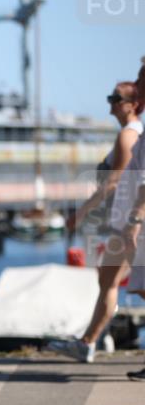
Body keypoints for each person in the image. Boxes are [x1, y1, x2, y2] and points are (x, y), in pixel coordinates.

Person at [51, 62, 145, 363]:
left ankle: (88, 342)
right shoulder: (134, 134)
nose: (110, 105)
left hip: (132, 224)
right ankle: (87, 343)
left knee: (140, 288)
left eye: (115, 99)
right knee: (107, 282)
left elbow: (115, 181)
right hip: (125, 222)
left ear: (133, 105)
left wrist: (81, 215)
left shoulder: (128, 136)